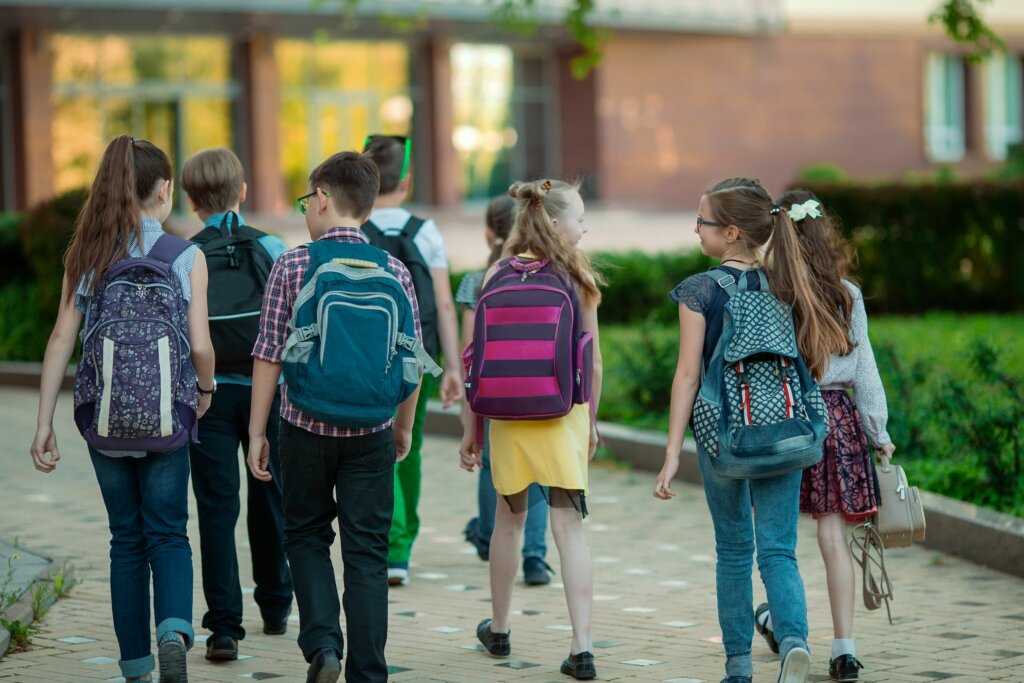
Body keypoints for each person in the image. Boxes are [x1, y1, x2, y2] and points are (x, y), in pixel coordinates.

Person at [30, 134, 214, 683]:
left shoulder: (86, 255)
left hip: (104, 417)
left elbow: (62, 338)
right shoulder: (186, 256)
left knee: (125, 539)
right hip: (167, 415)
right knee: (169, 531)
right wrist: (203, 392)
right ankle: (173, 630)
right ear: (163, 189)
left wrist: (44, 423)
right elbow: (201, 346)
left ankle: (135, 664)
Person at [654, 178, 850, 683]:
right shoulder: (787, 284)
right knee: (779, 549)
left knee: (734, 550)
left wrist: (673, 451)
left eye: (704, 222)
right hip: (785, 433)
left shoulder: (700, 290)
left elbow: (688, 375)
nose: (697, 229)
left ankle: (739, 666)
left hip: (724, 436)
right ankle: (794, 643)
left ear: (732, 232)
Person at [247, 151, 422, 683]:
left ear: (322, 198)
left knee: (304, 535)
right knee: (367, 552)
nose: (305, 209)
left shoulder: (293, 265)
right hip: (370, 430)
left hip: (302, 425)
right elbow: (411, 358)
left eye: (306, 199)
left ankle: (324, 646)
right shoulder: (393, 269)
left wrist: (257, 431)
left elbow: (269, 353)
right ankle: (369, 671)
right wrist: (403, 425)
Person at [460, 179, 603, 681]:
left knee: (507, 522)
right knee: (568, 528)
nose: (584, 226)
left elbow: (477, 355)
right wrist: (592, 420)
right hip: (562, 413)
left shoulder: (496, 272)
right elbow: (593, 357)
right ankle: (581, 646)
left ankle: (499, 629)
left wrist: (472, 429)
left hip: (507, 416)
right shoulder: (576, 275)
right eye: (580, 217)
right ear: (557, 222)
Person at [752, 191, 895, 683]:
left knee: (777, 539)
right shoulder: (847, 293)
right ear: (822, 232)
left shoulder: (771, 293)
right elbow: (865, 370)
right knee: (832, 536)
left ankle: (780, 623)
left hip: (786, 419)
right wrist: (879, 431)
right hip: (836, 420)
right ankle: (844, 649)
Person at [181, 147, 293, 661]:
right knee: (269, 498)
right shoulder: (271, 246)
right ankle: (275, 605)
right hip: (264, 392)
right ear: (243, 191)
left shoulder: (183, 254)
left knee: (215, 507)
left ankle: (223, 627)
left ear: (189, 199)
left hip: (207, 396)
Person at [362, 134, 464, 587]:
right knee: (411, 444)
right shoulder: (424, 231)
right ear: (406, 179)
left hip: (364, 356)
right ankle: (401, 548)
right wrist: (454, 369)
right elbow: (443, 304)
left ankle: (386, 540)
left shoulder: (354, 227)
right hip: (416, 358)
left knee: (376, 443)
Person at [458, 195, 553, 586]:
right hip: (543, 389)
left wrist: (469, 419)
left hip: (496, 391)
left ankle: (489, 538)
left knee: (492, 465)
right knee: (541, 471)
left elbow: (470, 354)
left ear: (488, 232)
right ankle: (534, 557)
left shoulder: (478, 281)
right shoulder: (549, 275)